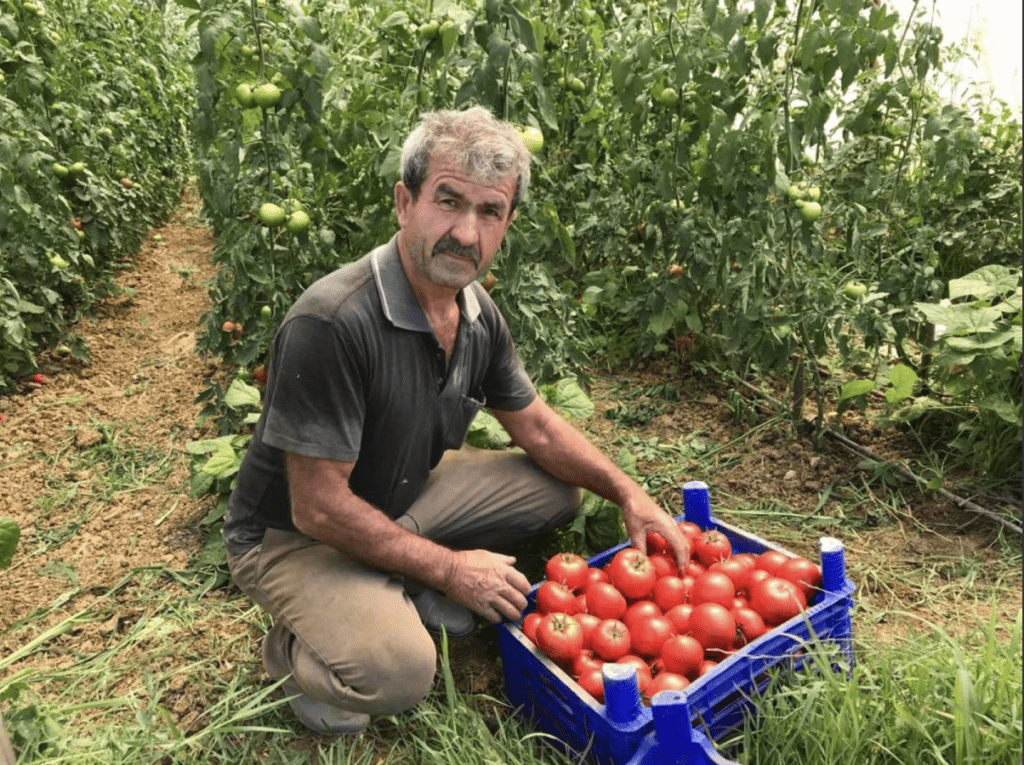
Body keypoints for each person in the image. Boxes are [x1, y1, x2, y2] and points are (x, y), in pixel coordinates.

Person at [221, 106, 691, 736]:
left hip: (398, 495)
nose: (466, 234)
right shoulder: (332, 322)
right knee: (399, 673)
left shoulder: (474, 311)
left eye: (489, 212)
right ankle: (292, 655)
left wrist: (629, 492)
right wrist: (447, 568)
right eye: (449, 201)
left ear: (507, 223)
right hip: (290, 535)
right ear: (404, 202)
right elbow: (317, 508)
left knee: (558, 488)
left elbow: (540, 429)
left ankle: (391, 576)